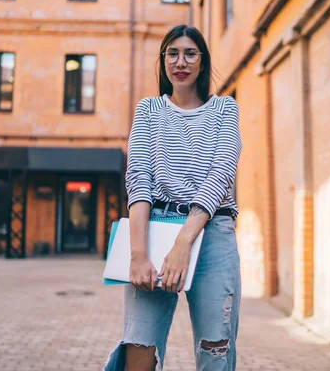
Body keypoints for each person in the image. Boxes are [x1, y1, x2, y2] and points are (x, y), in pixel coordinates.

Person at [103, 25, 242, 371]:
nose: (181, 62)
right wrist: (138, 255)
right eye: (172, 53)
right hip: (153, 231)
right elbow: (139, 179)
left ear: (202, 61)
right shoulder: (148, 110)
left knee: (215, 348)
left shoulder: (225, 109)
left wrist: (183, 244)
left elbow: (220, 175)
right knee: (139, 347)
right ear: (163, 60)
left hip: (211, 233)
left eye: (190, 53)